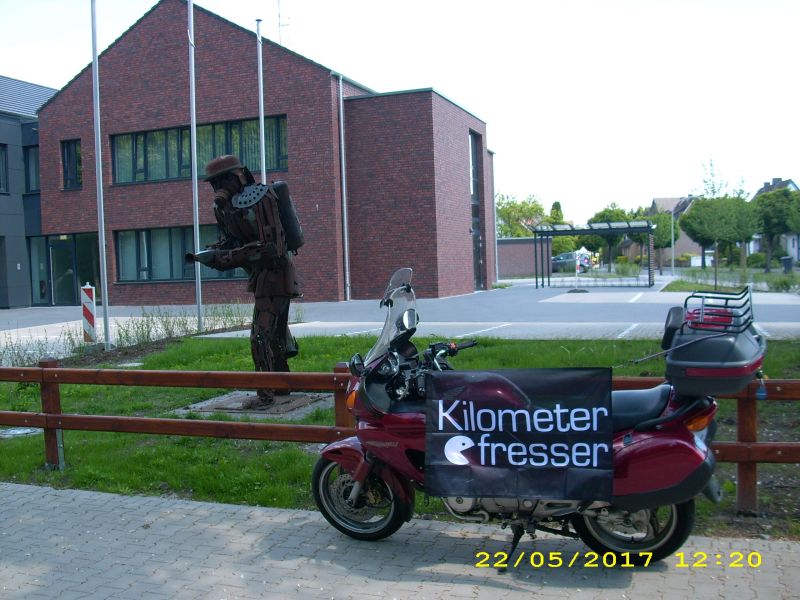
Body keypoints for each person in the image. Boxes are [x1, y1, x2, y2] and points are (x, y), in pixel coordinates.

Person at [187, 155, 301, 409]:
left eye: (223, 181)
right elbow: (232, 239)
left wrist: (226, 257)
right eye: (214, 184)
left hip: (276, 273)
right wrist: (214, 253)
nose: (219, 189)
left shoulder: (262, 198)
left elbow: (272, 246)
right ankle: (284, 385)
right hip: (261, 275)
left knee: (260, 336)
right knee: (273, 336)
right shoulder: (225, 209)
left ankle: (267, 395)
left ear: (238, 176)